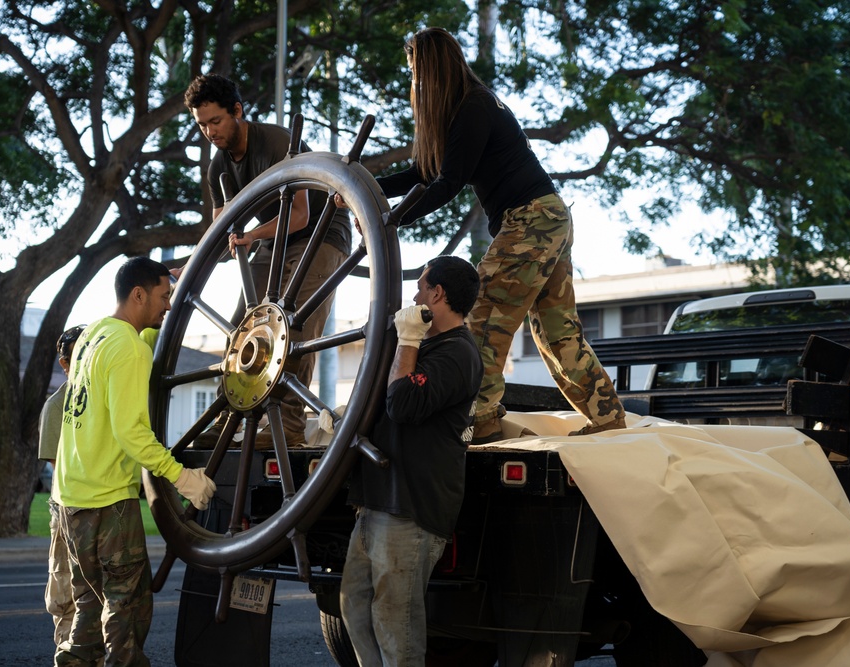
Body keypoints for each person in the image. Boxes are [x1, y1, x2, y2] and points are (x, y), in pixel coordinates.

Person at [373, 27, 626, 443]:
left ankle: (484, 416)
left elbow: (449, 182)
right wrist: (370, 184)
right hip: (547, 216)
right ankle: (607, 418)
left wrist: (394, 219)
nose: (413, 82)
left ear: (430, 71)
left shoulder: (474, 107)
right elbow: (426, 173)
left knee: (482, 316)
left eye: (415, 71)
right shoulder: (469, 109)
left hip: (531, 220)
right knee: (555, 330)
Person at [52, 257, 216, 667]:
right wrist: (182, 478)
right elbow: (132, 433)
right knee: (127, 608)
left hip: (72, 496)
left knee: (87, 608)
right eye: (163, 296)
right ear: (138, 294)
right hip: (108, 502)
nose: (168, 306)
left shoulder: (94, 334)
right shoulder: (128, 349)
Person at [183, 73, 352, 446]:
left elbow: (301, 216)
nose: (210, 132)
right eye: (202, 125)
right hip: (275, 239)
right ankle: (226, 419)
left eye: (216, 121)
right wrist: (189, 267)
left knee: (298, 327)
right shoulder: (219, 169)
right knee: (241, 324)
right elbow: (219, 234)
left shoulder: (275, 142)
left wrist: (253, 236)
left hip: (322, 232)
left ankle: (290, 425)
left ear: (238, 112)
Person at [340, 255, 483, 666]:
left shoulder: (456, 353)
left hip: (411, 510)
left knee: (395, 626)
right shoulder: (426, 344)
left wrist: (406, 340)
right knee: (355, 606)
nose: (414, 296)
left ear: (437, 294)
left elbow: (401, 403)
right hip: (378, 502)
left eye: (420, 288)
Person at [38, 325, 88, 653]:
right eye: (78, 358)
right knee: (66, 600)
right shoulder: (57, 407)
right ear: (64, 363)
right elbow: (61, 471)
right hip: (70, 514)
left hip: (103, 513)